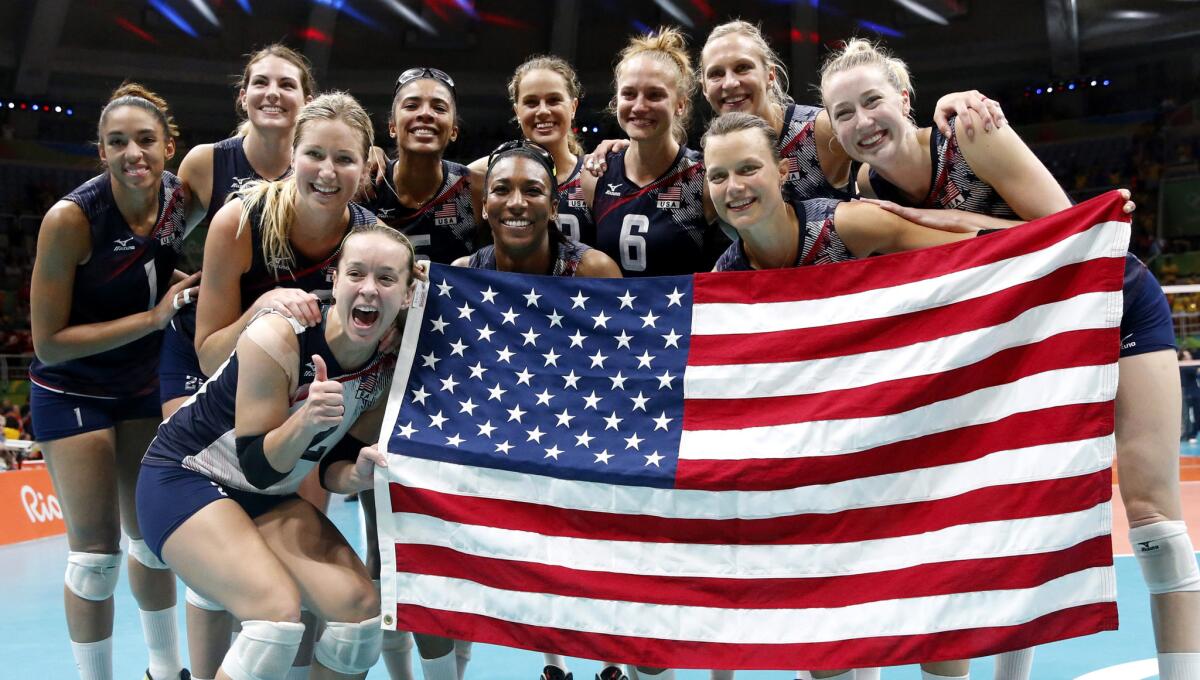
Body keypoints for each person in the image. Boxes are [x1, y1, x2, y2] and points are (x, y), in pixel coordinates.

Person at [819, 38, 1190, 680]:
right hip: (1026, 344)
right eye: (843, 112)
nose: (861, 122)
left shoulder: (971, 135)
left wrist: (928, 222)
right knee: (1020, 524)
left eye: (872, 101)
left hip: (1112, 304)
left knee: (1151, 512)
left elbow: (1075, 238)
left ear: (905, 100)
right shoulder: (863, 185)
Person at [136, 223, 419, 680]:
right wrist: (305, 419)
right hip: (185, 477)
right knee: (274, 619)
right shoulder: (280, 335)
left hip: (263, 497)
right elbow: (258, 467)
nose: (369, 289)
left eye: (386, 279)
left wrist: (356, 475)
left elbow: (332, 464)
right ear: (335, 279)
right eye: (357, 274)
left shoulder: (387, 365)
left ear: (406, 295)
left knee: (362, 615)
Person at [190, 91, 379, 679]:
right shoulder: (241, 221)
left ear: (367, 167)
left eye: (345, 159)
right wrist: (263, 311)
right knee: (228, 578)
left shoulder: (369, 248)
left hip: (305, 403)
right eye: (315, 154)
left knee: (305, 576)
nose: (328, 172)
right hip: (218, 391)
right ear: (292, 155)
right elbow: (207, 352)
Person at [28, 82, 203, 680]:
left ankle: (165, 670)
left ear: (169, 146)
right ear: (100, 152)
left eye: (146, 140)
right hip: (71, 389)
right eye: (117, 142)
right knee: (94, 557)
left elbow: (153, 263)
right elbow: (47, 342)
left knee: (152, 542)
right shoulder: (71, 219)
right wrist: (155, 319)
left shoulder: (179, 200)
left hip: (141, 383)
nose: (134, 153)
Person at [167, 44, 316, 680]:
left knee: (298, 532)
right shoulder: (208, 163)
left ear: (306, 100)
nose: (273, 94)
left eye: (287, 84)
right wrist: (168, 287)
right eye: (260, 82)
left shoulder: (325, 168)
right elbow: (155, 233)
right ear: (242, 95)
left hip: (284, 365)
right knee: (211, 524)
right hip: (207, 352)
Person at [586, 20, 1004, 213]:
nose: (729, 83)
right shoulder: (716, 153)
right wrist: (625, 145)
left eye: (742, 68)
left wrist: (948, 102)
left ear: (769, 75)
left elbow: (886, 130)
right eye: (716, 74)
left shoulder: (822, 130)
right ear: (704, 86)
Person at [580, 26, 726, 277]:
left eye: (655, 95)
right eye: (629, 94)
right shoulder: (596, 175)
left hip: (682, 315)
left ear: (680, 104)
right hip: (614, 314)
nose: (639, 106)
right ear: (616, 101)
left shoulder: (704, 179)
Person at [465, 56, 596, 247]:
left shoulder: (595, 174)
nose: (543, 111)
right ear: (517, 111)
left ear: (573, 107)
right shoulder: (486, 171)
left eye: (553, 100)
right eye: (531, 103)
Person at [363, 67, 478, 265]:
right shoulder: (365, 183)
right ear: (392, 127)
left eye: (439, 108)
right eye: (411, 106)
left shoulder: (473, 187)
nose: (425, 114)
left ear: (453, 131)